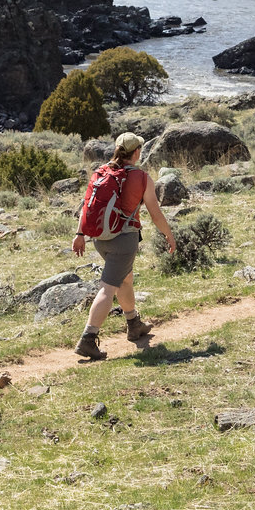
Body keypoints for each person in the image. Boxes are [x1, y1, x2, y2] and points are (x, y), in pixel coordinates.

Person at [71, 131, 177, 360]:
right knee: (108, 288)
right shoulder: (141, 178)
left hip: (100, 239)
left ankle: (133, 323)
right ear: (136, 152)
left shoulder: (101, 172)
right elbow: (155, 214)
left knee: (124, 278)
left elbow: (87, 205)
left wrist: (80, 234)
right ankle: (88, 338)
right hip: (124, 239)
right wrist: (169, 235)